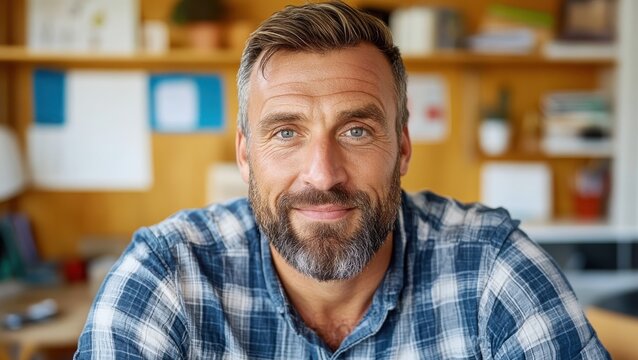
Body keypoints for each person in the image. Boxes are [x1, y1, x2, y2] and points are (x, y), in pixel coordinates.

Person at [75, 2, 610, 358]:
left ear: (402, 147)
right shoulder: (169, 275)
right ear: (245, 155)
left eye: (355, 130)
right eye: (286, 132)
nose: (323, 174)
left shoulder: (492, 268)